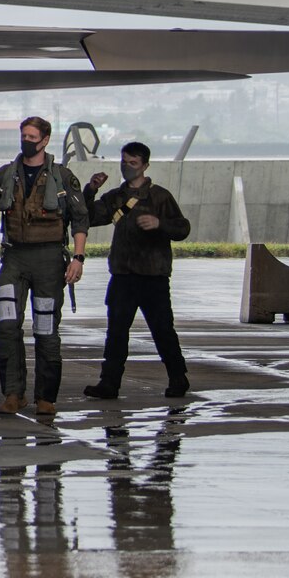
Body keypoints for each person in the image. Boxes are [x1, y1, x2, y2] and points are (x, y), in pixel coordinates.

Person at [0, 115, 89, 417]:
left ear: (45, 140)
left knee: (46, 330)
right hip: (14, 258)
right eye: (23, 135)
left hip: (49, 260)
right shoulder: (6, 175)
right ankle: (13, 393)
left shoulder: (62, 178)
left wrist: (78, 258)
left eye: (32, 137)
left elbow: (80, 219)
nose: (26, 141)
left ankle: (45, 397)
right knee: (7, 325)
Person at [81, 141, 191, 399]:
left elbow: (182, 229)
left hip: (153, 276)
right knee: (116, 333)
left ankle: (178, 378)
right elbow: (88, 216)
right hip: (123, 276)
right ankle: (109, 383)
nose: (127, 167)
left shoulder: (160, 197)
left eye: (133, 163)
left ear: (145, 166)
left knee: (163, 330)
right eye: (124, 162)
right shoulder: (116, 197)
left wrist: (160, 223)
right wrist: (90, 190)